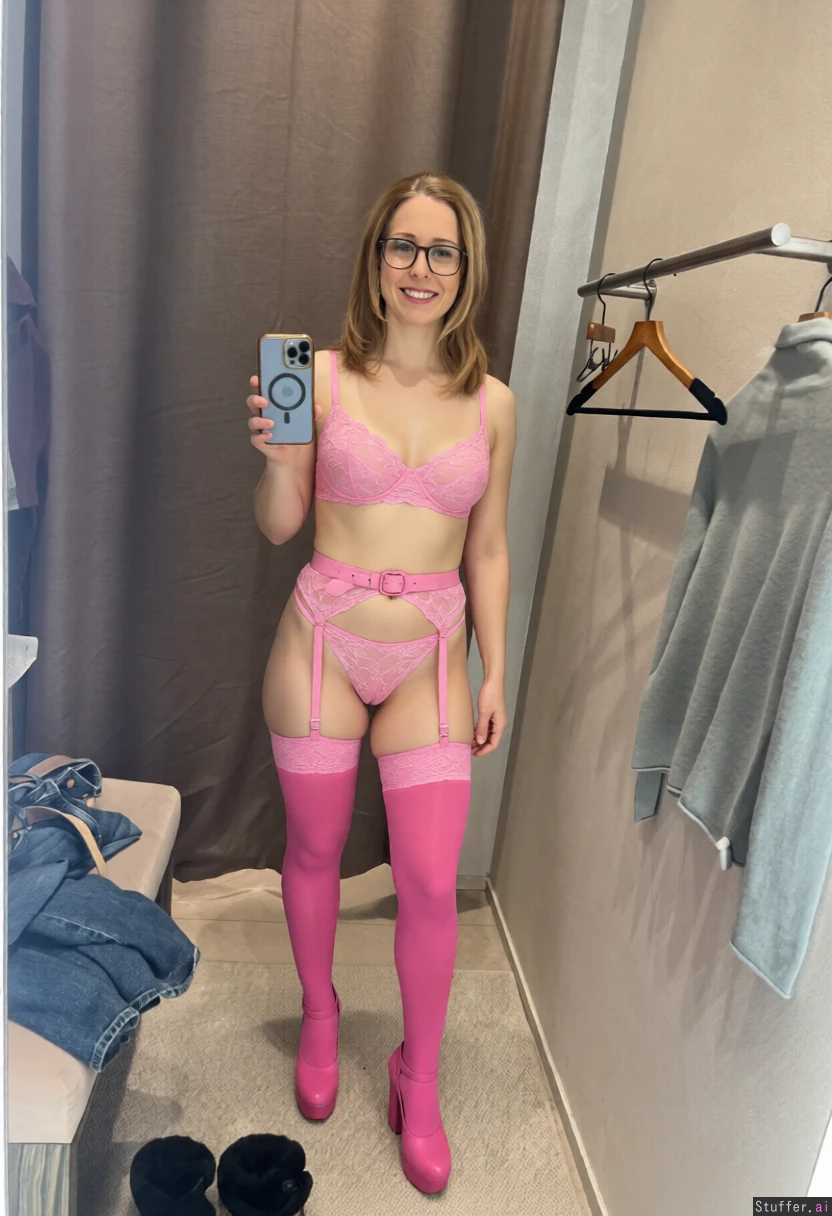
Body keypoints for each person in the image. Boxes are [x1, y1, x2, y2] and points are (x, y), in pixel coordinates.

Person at [245, 172, 516, 1195]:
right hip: (322, 637)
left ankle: (420, 1077)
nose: (420, 267)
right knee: (314, 846)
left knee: (432, 883)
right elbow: (281, 525)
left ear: (465, 268)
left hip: (433, 655)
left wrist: (496, 668)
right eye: (403, 245)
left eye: (442, 250)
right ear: (375, 257)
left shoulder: (493, 404)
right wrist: (279, 460)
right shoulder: (315, 376)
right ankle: (320, 1015)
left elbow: (487, 547)